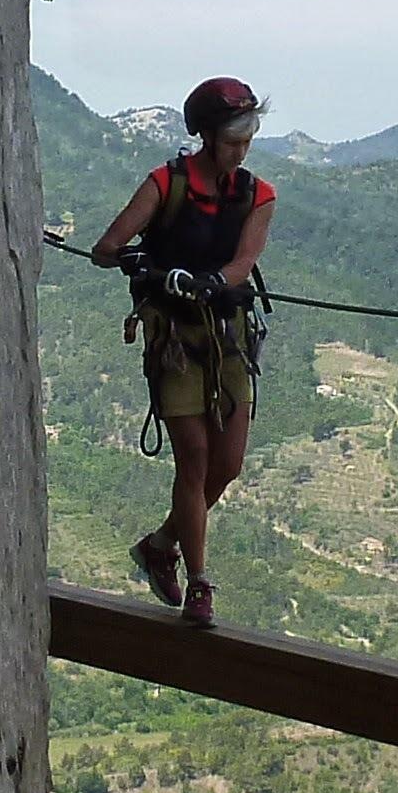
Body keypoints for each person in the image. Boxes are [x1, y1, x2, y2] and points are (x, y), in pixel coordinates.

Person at [88, 76, 276, 628]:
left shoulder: (257, 195)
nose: (241, 151)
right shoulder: (165, 185)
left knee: (228, 464)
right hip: (174, 338)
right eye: (233, 140)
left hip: (228, 336)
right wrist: (144, 264)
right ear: (206, 136)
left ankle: (160, 543)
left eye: (247, 139)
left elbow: (244, 262)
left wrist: (211, 281)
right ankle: (199, 583)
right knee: (193, 459)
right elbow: (106, 248)